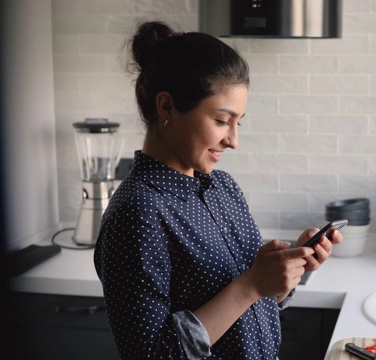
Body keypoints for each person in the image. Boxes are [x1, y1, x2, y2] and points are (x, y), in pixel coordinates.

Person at [93, 20, 343, 360]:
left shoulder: (222, 188)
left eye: (239, 122)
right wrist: (252, 284)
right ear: (167, 107)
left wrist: (285, 273)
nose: (233, 140)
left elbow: (246, 306)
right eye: (222, 120)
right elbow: (150, 354)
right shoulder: (137, 213)